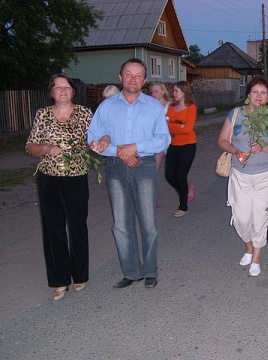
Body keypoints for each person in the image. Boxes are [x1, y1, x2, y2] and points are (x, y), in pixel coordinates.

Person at [88, 58, 171, 289]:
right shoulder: (106, 107)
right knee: (121, 224)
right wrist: (120, 151)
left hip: (144, 166)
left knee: (148, 222)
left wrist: (135, 147)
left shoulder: (153, 106)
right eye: (128, 74)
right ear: (120, 77)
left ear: (144, 80)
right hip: (115, 167)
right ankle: (132, 271)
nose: (133, 79)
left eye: (138, 75)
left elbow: (164, 139)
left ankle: (150, 270)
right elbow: (92, 140)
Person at [26, 73, 93, 300]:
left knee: (77, 226)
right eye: (58, 87)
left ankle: (80, 275)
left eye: (67, 87)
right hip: (49, 178)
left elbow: (97, 138)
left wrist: (99, 143)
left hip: (76, 176)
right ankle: (59, 280)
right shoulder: (42, 115)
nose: (63, 91)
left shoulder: (85, 113)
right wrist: (46, 148)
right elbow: (30, 147)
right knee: (53, 228)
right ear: (51, 92)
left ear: (73, 91)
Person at [217, 76, 268, 277]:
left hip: (264, 175)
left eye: (263, 93)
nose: (258, 96)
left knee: (260, 217)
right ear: (248, 95)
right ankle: (249, 246)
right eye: (255, 92)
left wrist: (265, 147)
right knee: (242, 217)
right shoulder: (235, 114)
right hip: (240, 174)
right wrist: (236, 151)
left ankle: (257, 257)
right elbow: (222, 141)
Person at [165, 81, 197, 217]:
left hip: (188, 145)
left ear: (184, 92)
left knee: (181, 175)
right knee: (169, 175)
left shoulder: (191, 108)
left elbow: (188, 129)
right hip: (173, 144)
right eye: (174, 91)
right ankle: (186, 190)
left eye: (177, 91)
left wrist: (172, 125)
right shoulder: (171, 107)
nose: (174, 93)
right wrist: (180, 126)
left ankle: (183, 206)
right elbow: (164, 125)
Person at [149, 82, 173, 207]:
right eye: (152, 92)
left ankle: (189, 187)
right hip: (157, 143)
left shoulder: (170, 106)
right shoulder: (149, 106)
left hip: (170, 141)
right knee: (153, 170)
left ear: (163, 92)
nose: (153, 94)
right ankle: (153, 198)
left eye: (156, 91)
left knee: (175, 172)